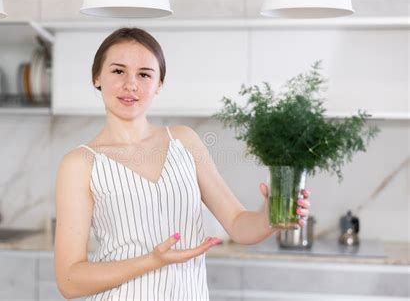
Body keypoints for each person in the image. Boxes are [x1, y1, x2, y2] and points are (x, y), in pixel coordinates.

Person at [54, 27, 311, 301]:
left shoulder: (184, 141)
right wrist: (153, 260)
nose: (131, 84)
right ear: (97, 77)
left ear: (159, 84)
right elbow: (70, 281)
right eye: (118, 71)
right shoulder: (80, 163)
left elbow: (237, 223)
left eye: (144, 74)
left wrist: (270, 216)